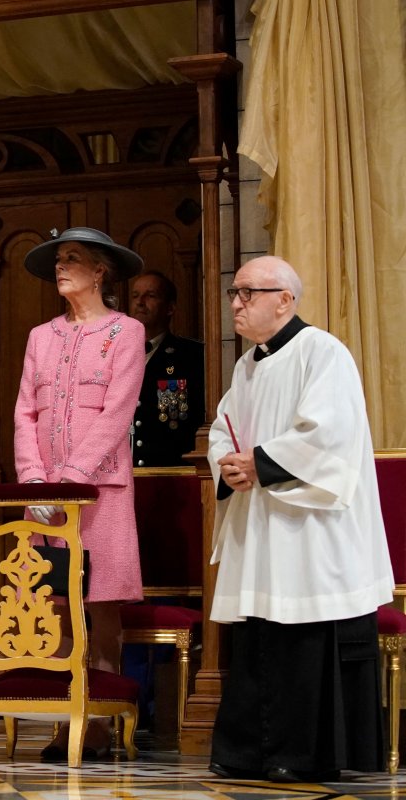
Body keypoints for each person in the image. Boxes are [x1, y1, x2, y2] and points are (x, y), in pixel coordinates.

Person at [207, 255, 392, 782]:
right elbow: (222, 428)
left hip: (307, 529)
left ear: (284, 300)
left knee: (299, 638)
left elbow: (328, 435)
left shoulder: (323, 353)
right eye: (233, 293)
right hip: (260, 523)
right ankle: (247, 751)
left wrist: (261, 463)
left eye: (247, 293)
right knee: (257, 635)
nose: (236, 304)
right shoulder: (248, 366)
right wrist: (229, 464)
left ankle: (301, 753)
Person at [14, 227, 146, 760]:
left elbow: (117, 413)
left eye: (73, 260)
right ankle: (64, 717)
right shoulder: (40, 336)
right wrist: (34, 478)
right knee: (58, 602)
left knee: (101, 604)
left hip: (101, 492)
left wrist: (70, 476)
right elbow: (26, 412)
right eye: (58, 260)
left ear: (100, 272)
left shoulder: (127, 331)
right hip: (46, 494)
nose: (61, 267)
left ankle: (98, 722)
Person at [129, 270, 205, 467]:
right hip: (124, 472)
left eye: (150, 296)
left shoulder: (192, 355)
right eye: (136, 296)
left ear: (170, 308)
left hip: (170, 468)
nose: (140, 301)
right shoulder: (115, 354)